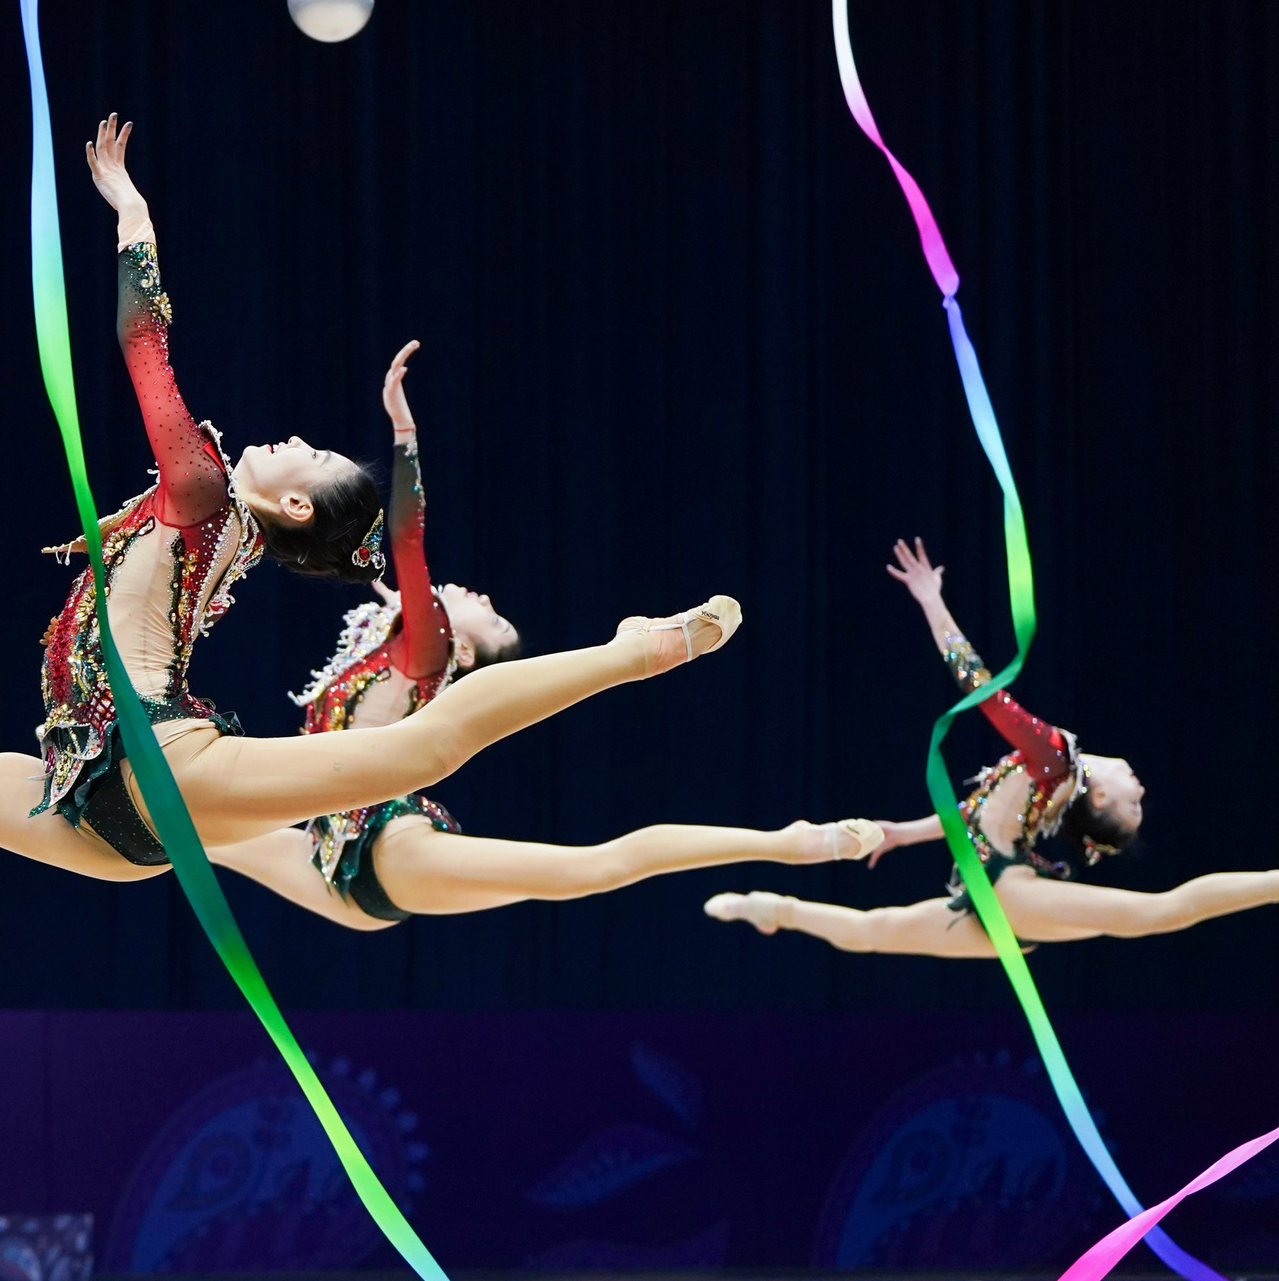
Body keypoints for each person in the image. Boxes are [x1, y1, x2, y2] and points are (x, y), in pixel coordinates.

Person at [0, 115, 742, 882]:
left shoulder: (203, 489)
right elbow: (387, 548)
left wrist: (131, 216)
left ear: (293, 507)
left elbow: (139, 342)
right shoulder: (217, 522)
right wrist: (399, 452)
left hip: (162, 762)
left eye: (307, 453)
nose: (292, 438)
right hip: (94, 783)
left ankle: (632, 649)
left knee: (422, 752)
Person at [206, 342, 880, 928]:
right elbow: (366, 554)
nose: (486, 597)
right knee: (177, 828)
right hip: (324, 864)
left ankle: (789, 842)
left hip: (388, 852)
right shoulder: (377, 643)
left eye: (491, 617)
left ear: (463, 652)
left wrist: (404, 435)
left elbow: (406, 544)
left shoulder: (427, 654)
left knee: (591, 867)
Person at [701, 538, 1277, 955]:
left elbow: (982, 689)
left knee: (1161, 913)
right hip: (994, 901)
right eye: (1140, 799)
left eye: (1133, 802)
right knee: (872, 933)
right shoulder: (1048, 777)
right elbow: (974, 817)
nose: (1141, 788)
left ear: (1098, 795)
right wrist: (906, 833)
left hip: (1007, 896)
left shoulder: (1054, 759)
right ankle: (773, 910)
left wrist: (932, 601)